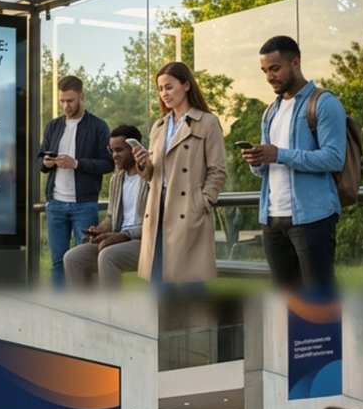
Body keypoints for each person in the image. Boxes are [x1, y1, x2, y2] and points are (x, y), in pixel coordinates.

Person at [242, 35, 347, 292]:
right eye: (265, 71)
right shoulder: (271, 112)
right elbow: (267, 168)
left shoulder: (324, 103)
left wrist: (279, 154)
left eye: (275, 68)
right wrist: (257, 160)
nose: (269, 76)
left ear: (296, 63)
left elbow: (334, 158)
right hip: (273, 220)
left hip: (312, 218)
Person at [134, 62, 227, 288]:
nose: (164, 93)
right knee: (159, 286)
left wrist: (202, 201)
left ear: (186, 85)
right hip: (157, 209)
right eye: (160, 89)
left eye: (169, 87)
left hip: (188, 210)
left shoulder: (207, 122)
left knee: (190, 287)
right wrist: (143, 164)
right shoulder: (159, 126)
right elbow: (152, 175)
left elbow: (218, 170)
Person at [37, 76, 113, 287]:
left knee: (86, 262)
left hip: (84, 205)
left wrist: (77, 163)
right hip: (55, 205)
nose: (65, 106)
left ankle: (87, 311)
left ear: (81, 97)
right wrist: (46, 163)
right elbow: (40, 162)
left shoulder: (98, 126)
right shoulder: (53, 126)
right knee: (57, 263)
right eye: (62, 101)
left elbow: (108, 164)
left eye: (70, 101)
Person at [63, 126, 147, 287]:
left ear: (135, 149)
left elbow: (157, 222)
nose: (114, 155)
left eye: (119, 150)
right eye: (112, 150)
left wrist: (125, 234)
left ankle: (111, 311)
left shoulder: (150, 178)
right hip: (119, 239)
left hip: (143, 241)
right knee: (72, 258)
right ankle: (85, 310)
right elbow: (111, 218)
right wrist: (99, 230)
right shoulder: (117, 179)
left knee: (107, 255)